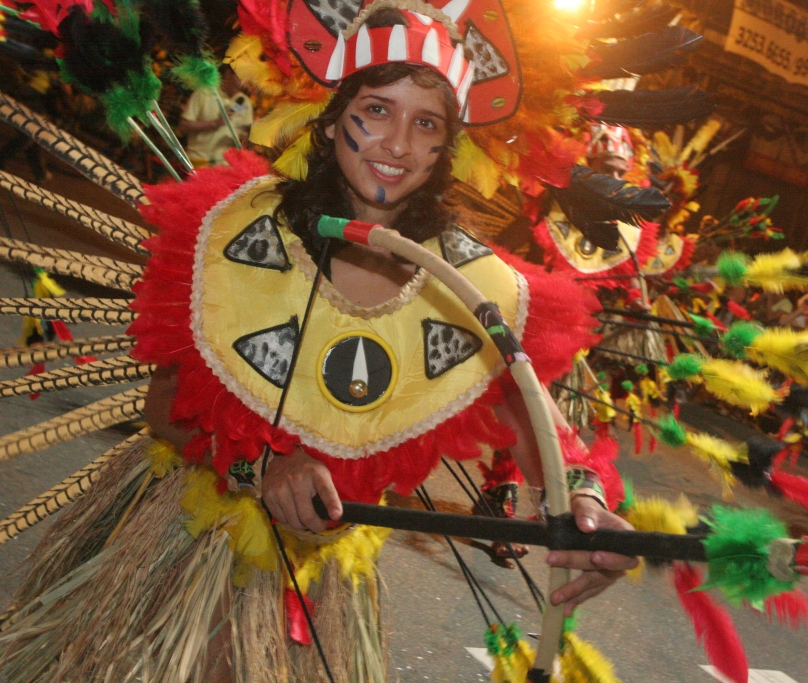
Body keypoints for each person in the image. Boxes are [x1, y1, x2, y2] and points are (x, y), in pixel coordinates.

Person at [0, 4, 634, 682]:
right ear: (332, 122)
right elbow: (165, 407)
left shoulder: (471, 282)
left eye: (426, 124)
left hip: (324, 577)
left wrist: (586, 504)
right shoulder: (234, 227)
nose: (397, 143)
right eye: (377, 110)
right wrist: (262, 468)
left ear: (447, 146)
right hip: (193, 535)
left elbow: (534, 416)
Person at [178, 64, 253, 167]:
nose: (244, 84)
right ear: (228, 74)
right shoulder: (204, 93)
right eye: (240, 78)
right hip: (200, 162)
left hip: (227, 165)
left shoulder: (243, 101)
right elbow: (184, 126)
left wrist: (250, 136)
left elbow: (246, 136)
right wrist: (214, 123)